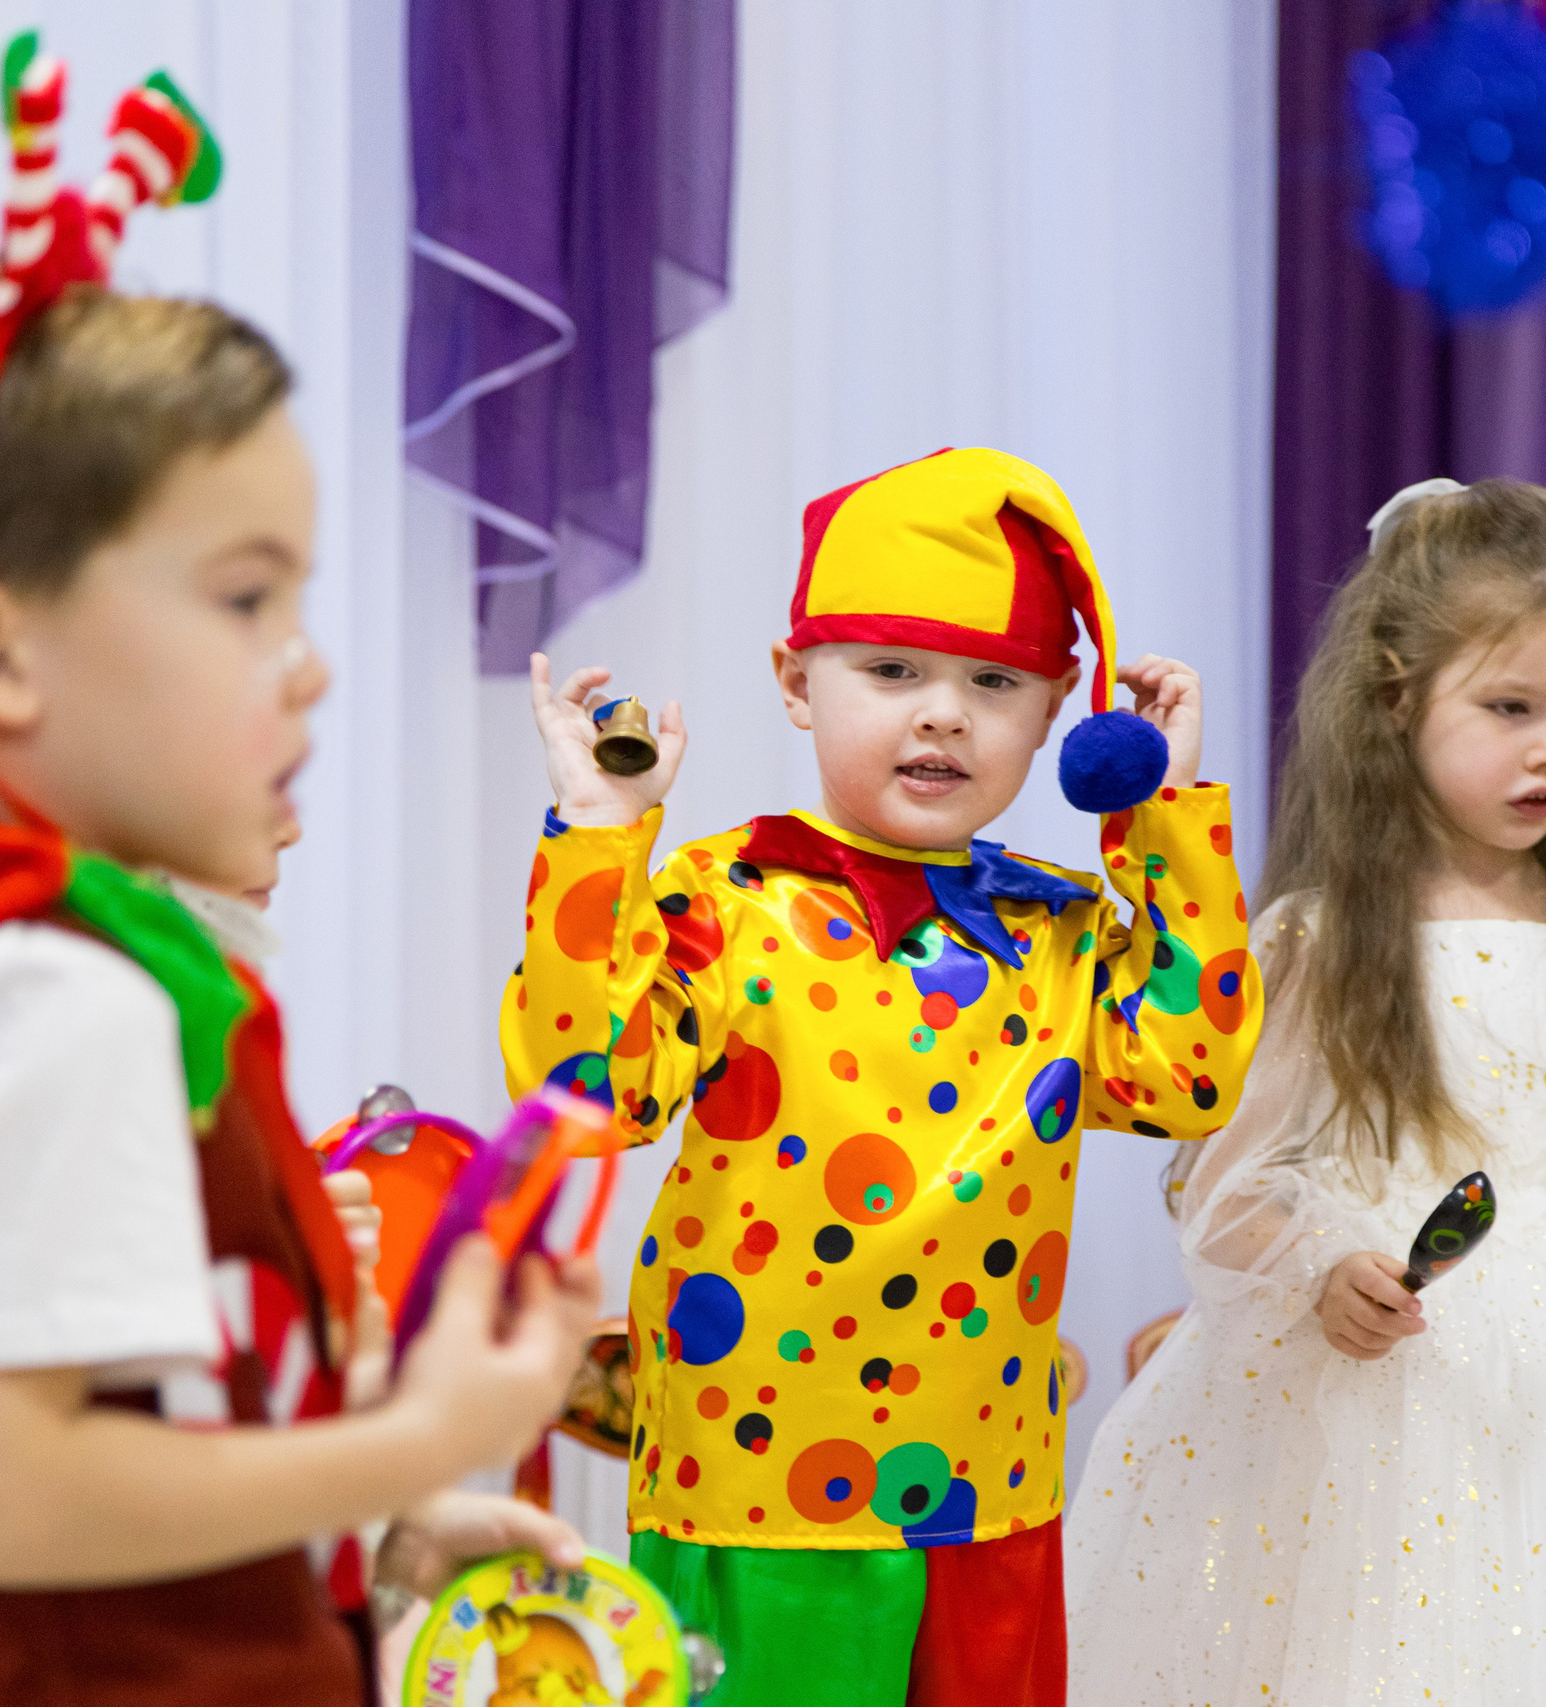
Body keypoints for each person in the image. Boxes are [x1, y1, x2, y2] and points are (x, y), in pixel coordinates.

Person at [0, 40, 599, 1702]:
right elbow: (7, 1489)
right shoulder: (48, 1005)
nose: (310, 667)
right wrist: (410, 1436)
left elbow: (107, 1431)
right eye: (243, 600)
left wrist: (376, 1531)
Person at [502, 446, 1262, 1707]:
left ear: (1064, 711)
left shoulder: (1068, 931)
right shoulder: (722, 899)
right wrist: (595, 840)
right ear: (797, 684)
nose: (942, 712)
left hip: (988, 1493)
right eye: (891, 671)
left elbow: (1190, 1079)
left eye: (995, 682)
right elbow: (589, 1095)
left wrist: (1166, 816)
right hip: (753, 1496)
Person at [1065, 477, 1546, 1706]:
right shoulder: (1324, 937)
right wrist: (1318, 1270)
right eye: (1511, 707)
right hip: (1391, 1383)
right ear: (1392, 697)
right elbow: (1230, 1185)